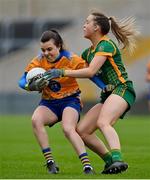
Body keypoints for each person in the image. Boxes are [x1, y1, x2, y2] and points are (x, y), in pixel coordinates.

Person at [43, 11, 139, 174]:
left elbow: (90, 71)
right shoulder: (87, 53)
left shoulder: (106, 44)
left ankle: (118, 159)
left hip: (122, 89)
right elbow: (83, 72)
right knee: (82, 131)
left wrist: (62, 72)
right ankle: (110, 162)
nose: (84, 25)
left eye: (87, 22)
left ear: (96, 27)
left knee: (103, 122)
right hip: (109, 95)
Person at [18, 29, 96, 174]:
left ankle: (87, 166)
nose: (46, 53)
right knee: (36, 120)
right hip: (49, 103)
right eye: (43, 50)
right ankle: (50, 163)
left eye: (49, 49)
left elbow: (90, 73)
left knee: (67, 128)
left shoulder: (71, 59)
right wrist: (30, 86)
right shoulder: (38, 61)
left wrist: (104, 87)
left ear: (59, 46)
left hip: (70, 100)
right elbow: (22, 81)